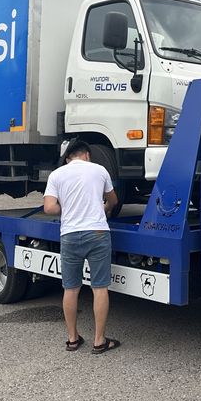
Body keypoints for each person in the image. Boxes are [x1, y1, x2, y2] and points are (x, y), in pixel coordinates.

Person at [43, 141, 122, 354]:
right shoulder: (100, 170)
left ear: (69, 158)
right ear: (87, 154)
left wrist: (68, 207)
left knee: (70, 289)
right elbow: (113, 200)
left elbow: (49, 208)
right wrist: (104, 207)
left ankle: (72, 339)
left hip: (69, 235)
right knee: (100, 288)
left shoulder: (57, 175)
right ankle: (99, 341)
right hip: (97, 233)